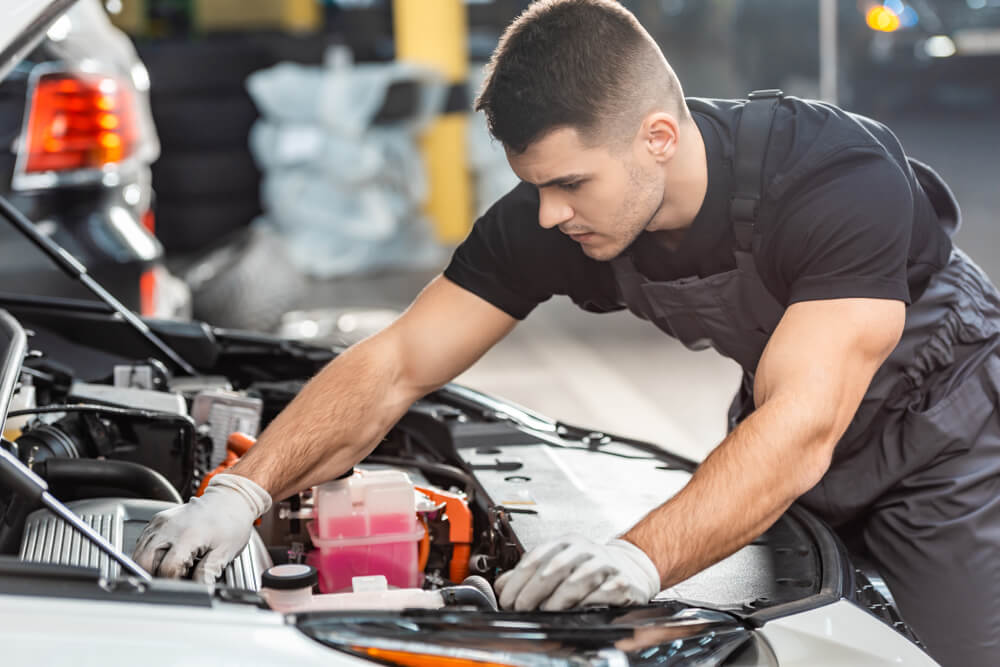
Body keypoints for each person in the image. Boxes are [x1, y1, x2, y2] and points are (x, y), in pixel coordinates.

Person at [133, 1, 1000, 664]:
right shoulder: (562, 213)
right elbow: (398, 360)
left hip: (948, 438)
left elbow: (806, 421)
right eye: (536, 185)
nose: (550, 214)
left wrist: (636, 558)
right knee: (781, 644)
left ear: (658, 137)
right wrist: (242, 491)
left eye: (571, 183)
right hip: (786, 423)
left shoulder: (834, 177)